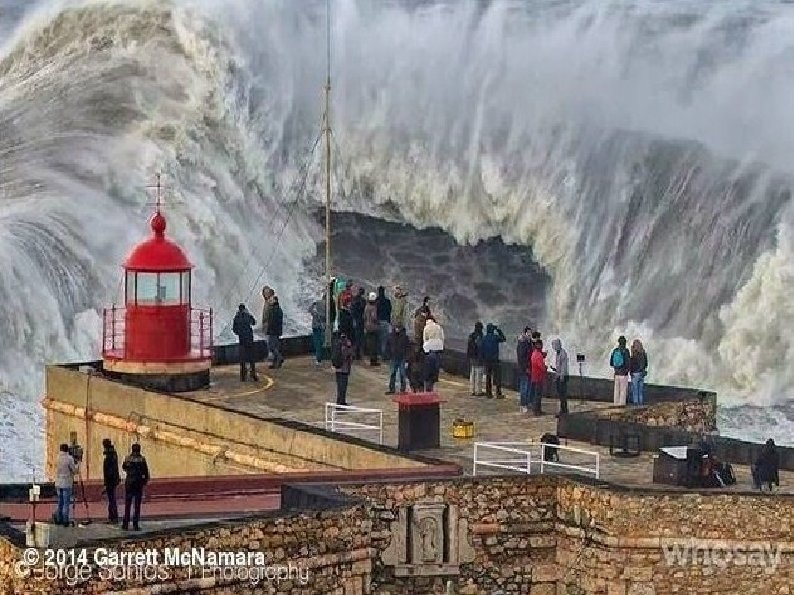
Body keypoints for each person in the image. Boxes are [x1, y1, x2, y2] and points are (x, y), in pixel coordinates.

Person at [121, 443, 150, 531]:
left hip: (129, 483)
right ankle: (135, 524)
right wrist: (144, 481)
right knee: (137, 505)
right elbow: (145, 472)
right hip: (138, 483)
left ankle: (125, 524)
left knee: (128, 504)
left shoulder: (128, 458)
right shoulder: (142, 459)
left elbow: (124, 467)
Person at [232, 304, 258, 381]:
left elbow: (234, 330)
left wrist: (240, 333)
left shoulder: (236, 318)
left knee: (242, 358)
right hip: (249, 339)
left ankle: (243, 376)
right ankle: (253, 374)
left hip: (242, 340)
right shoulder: (247, 315)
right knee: (251, 358)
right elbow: (253, 322)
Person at [480, 323, 506, 399]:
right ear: (492, 330)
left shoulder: (484, 338)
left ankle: (489, 393)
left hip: (487, 360)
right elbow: (504, 338)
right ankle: (498, 393)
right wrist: (498, 330)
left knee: (488, 377)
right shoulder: (495, 337)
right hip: (495, 360)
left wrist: (483, 358)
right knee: (497, 377)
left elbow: (482, 350)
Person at [54, 443, 77, 527]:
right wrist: (77, 464)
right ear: (67, 450)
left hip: (58, 483)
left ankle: (58, 518)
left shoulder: (57, 457)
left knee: (60, 502)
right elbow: (74, 470)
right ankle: (65, 520)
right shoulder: (69, 458)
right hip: (66, 483)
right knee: (66, 503)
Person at [385, 323, 410, 394]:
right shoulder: (391, 336)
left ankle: (402, 389)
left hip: (402, 357)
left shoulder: (404, 337)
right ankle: (392, 389)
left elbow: (407, 348)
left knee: (402, 374)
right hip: (394, 357)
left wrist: (407, 357)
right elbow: (388, 346)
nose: (397, 329)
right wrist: (388, 355)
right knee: (393, 373)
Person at [422, 315, 445, 391]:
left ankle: (427, 389)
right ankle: (432, 387)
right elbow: (442, 338)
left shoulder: (426, 327)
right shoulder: (439, 327)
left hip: (429, 350)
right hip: (438, 350)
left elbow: (425, 339)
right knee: (435, 371)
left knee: (428, 371)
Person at [331, 331, 354, 405]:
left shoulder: (336, 342)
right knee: (343, 387)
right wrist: (350, 347)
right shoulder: (345, 345)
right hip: (344, 369)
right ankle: (341, 403)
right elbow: (348, 355)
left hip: (337, 368)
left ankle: (340, 401)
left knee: (339, 386)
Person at [101, 438, 121, 524]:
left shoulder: (109, 456)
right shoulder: (113, 453)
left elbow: (108, 471)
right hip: (113, 479)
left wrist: (106, 484)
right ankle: (112, 517)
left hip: (111, 480)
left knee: (112, 499)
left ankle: (113, 517)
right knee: (112, 499)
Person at [609, 336, 631, 406]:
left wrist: (616, 367)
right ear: (624, 342)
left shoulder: (615, 350)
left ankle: (615, 403)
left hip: (616, 373)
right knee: (623, 389)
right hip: (623, 373)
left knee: (616, 389)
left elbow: (611, 363)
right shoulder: (626, 351)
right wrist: (628, 370)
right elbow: (628, 362)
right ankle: (621, 404)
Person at [550, 338, 569, 416]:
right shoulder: (558, 353)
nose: (553, 347)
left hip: (563, 377)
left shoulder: (563, 353)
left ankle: (564, 410)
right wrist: (555, 370)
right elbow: (559, 366)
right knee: (561, 394)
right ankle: (563, 409)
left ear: (558, 345)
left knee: (562, 394)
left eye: (554, 345)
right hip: (560, 376)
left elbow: (564, 366)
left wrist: (561, 377)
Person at [529, 340, 548, 415]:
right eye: (541, 345)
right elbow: (541, 367)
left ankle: (536, 410)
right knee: (538, 395)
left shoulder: (534, 353)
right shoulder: (539, 355)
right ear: (539, 345)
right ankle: (537, 411)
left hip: (534, 376)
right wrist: (545, 367)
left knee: (536, 394)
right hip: (539, 377)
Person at [516, 327, 533, 412]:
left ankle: (528, 402)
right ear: (524, 333)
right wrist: (526, 368)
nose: (530, 334)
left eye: (530, 332)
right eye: (528, 333)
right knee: (524, 387)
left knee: (529, 386)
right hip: (524, 369)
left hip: (530, 369)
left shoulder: (529, 343)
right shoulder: (522, 343)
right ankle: (523, 404)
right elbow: (521, 358)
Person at [467, 322, 485, 396]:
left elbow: (468, 347)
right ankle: (478, 391)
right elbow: (480, 348)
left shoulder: (471, 335)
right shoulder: (480, 336)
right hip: (478, 358)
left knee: (472, 374)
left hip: (472, 357)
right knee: (479, 375)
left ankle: (472, 390)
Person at [267, 296, 284, 368]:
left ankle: (279, 358)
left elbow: (272, 321)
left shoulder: (274, 310)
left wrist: (269, 330)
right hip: (277, 331)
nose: (270, 301)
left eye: (271, 300)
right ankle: (275, 363)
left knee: (272, 347)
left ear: (275, 301)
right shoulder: (278, 309)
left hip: (273, 331)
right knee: (275, 347)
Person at [309, 295, 327, 366]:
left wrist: (313, 304)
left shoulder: (315, 313)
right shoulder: (324, 314)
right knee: (320, 343)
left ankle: (318, 358)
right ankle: (319, 358)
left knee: (317, 343)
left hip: (315, 328)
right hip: (321, 328)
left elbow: (309, 310)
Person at [629, 339, 648, 405]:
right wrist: (643, 370)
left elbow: (631, 364)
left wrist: (630, 372)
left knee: (635, 389)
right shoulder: (644, 353)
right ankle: (641, 403)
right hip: (642, 373)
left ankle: (635, 403)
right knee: (640, 390)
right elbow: (646, 364)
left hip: (635, 373)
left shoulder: (634, 353)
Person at [375, 286, 392, 359]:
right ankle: (383, 355)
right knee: (384, 340)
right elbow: (390, 311)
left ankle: (377, 354)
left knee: (377, 339)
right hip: (385, 321)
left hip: (378, 322)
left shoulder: (376, 301)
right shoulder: (387, 301)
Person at [364, 291, 380, 365]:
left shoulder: (366, 306)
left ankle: (371, 357)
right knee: (374, 344)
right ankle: (373, 360)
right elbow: (374, 317)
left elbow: (364, 316)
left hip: (367, 326)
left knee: (369, 343)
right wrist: (378, 322)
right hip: (373, 327)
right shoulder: (373, 308)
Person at [350, 287, 366, 359]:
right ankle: (358, 353)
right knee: (360, 337)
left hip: (355, 320)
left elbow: (352, 310)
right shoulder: (363, 301)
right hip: (360, 320)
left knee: (355, 337)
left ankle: (354, 353)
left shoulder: (354, 299)